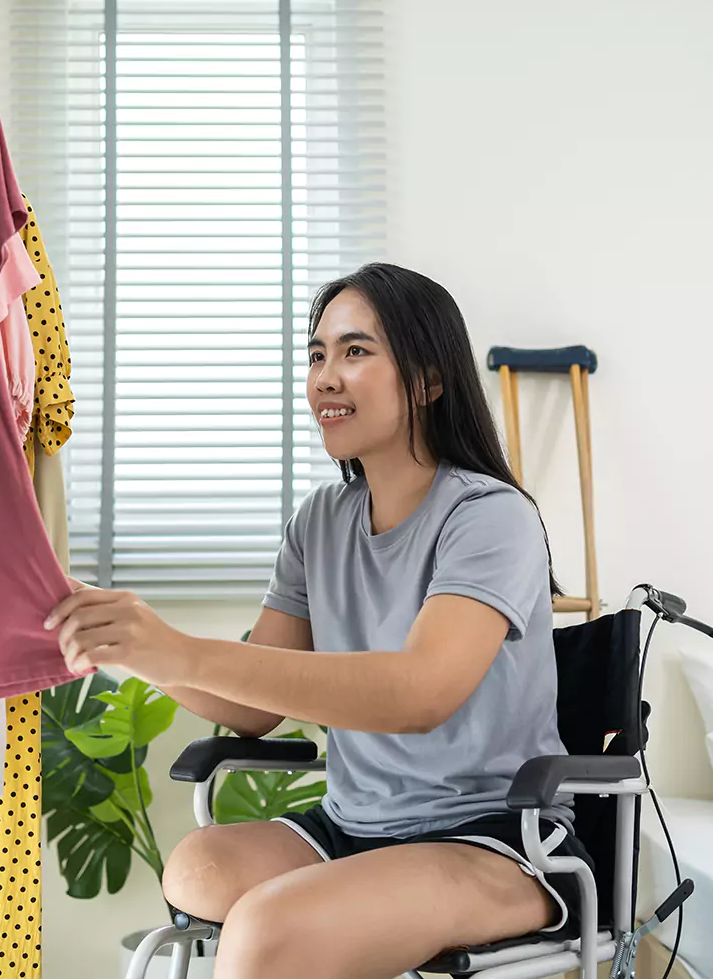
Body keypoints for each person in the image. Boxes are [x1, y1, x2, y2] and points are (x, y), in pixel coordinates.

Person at [46, 263, 591, 979]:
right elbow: (250, 712)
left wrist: (182, 649)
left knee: (268, 930)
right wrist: (132, 643)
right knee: (199, 868)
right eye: (316, 354)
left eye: (356, 351)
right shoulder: (320, 523)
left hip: (491, 837)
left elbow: (418, 693)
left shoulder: (491, 517)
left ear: (428, 380)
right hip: (352, 825)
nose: (325, 377)